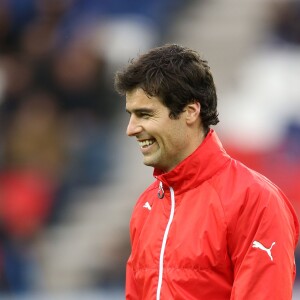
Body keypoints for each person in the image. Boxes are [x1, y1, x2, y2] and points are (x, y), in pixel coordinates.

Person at [114, 44, 299, 299]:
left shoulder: (256, 200)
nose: (131, 128)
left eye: (145, 114)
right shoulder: (146, 205)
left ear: (190, 111)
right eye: (131, 115)